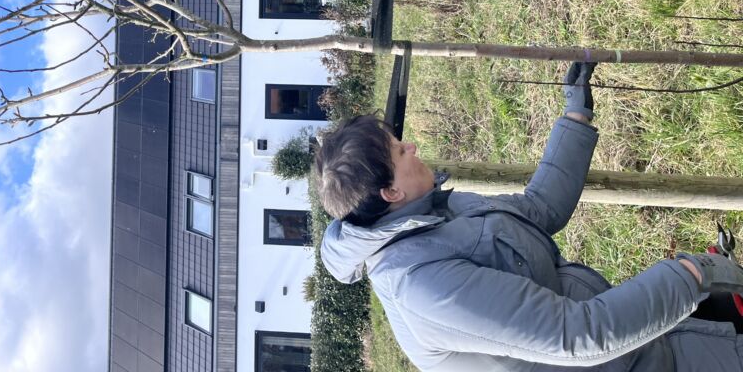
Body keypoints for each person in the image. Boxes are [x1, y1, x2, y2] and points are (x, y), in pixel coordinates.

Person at [316, 62, 743, 371]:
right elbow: (580, 336)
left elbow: (539, 209)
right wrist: (690, 276)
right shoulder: (423, 287)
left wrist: (575, 118)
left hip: (641, 344)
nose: (410, 146)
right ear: (391, 193)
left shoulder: (435, 215)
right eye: (398, 151)